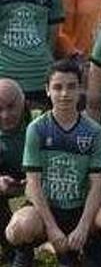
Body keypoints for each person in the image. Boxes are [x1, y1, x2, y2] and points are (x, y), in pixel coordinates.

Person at [6, 59, 101, 266]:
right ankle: (25, 254)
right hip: (47, 208)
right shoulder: (37, 128)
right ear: (47, 90)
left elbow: (98, 183)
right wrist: (52, 228)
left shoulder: (93, 130)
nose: (64, 94)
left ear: (80, 89)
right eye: (57, 87)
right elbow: (33, 184)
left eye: (71, 87)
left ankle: (91, 248)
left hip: (81, 207)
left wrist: (83, 226)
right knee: (17, 228)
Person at [0, 79, 28, 252]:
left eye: (11, 106)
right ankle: (11, 249)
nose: (5, 115)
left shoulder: (41, 119)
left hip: (43, 177)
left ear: (23, 100)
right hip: (7, 178)